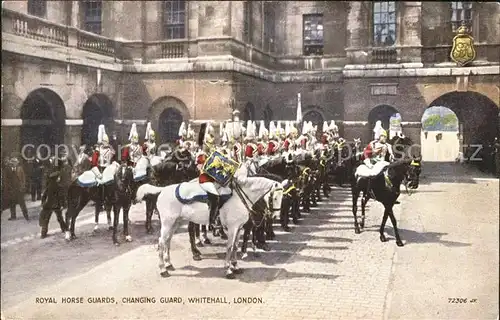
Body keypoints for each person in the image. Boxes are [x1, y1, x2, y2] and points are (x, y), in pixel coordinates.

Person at [197, 122, 222, 228]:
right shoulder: (202, 155)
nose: (211, 146)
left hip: (214, 180)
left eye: (212, 143)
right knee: (215, 197)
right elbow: (201, 168)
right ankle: (211, 221)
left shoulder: (213, 154)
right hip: (205, 180)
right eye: (209, 143)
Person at [39, 156, 68, 238]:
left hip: (49, 204)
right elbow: (61, 196)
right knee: (60, 218)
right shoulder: (59, 186)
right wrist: (63, 204)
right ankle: (65, 229)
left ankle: (43, 234)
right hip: (56, 204)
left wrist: (43, 202)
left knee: (46, 219)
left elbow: (44, 194)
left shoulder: (50, 185)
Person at [4, 156, 29, 221]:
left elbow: (23, 178)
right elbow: (6, 179)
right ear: (10, 163)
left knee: (22, 203)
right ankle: (13, 216)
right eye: (12, 162)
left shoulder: (20, 168)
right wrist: (7, 188)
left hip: (19, 189)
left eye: (15, 162)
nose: (14, 163)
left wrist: (23, 186)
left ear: (17, 163)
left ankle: (26, 216)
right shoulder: (8, 169)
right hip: (11, 189)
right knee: (12, 203)